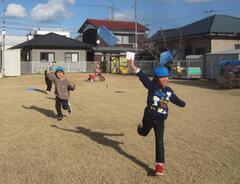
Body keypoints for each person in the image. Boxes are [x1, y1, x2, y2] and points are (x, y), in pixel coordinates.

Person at [128, 59, 186, 176]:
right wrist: (133, 66)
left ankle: (159, 165)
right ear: (156, 79)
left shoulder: (169, 91)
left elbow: (176, 100)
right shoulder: (152, 86)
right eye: (162, 77)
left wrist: (182, 103)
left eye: (167, 77)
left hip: (160, 121)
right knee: (144, 133)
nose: (165, 79)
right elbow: (142, 76)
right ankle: (141, 130)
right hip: (148, 118)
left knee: (159, 141)